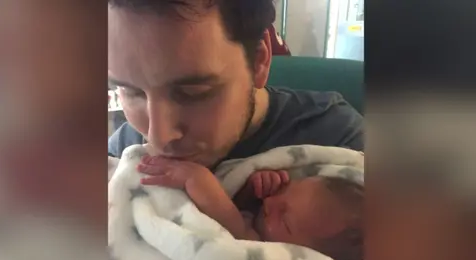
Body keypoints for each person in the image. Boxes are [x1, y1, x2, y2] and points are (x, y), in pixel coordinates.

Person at [108, 0, 363, 168]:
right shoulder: (124, 150)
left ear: (259, 61)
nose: (158, 137)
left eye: (192, 93)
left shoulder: (340, 146)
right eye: (132, 92)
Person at [137, 155, 364, 260]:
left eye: (284, 218)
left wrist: (199, 179)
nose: (269, 202)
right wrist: (252, 188)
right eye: (286, 191)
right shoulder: (264, 221)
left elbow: (229, 222)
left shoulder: (268, 256)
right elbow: (239, 209)